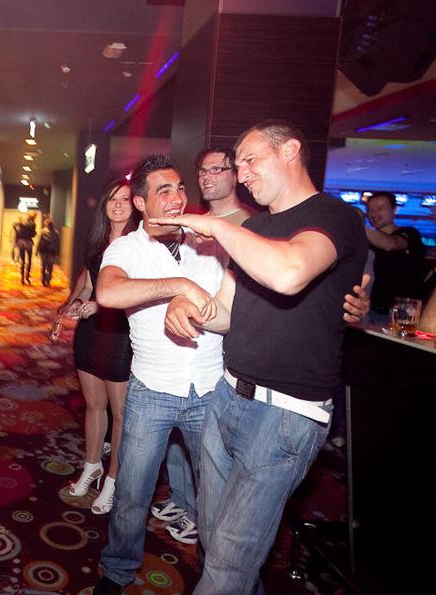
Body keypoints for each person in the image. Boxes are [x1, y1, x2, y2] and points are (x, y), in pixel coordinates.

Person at [155, 120, 368, 594]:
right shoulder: (254, 227)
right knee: (217, 546)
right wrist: (186, 304)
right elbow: (225, 313)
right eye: (238, 165)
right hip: (227, 397)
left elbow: (289, 274)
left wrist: (215, 225)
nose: (243, 173)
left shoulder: (335, 216)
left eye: (251, 160)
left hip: (285, 415)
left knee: (227, 563)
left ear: (290, 150)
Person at [90, 156, 228, 594]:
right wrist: (179, 286)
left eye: (180, 188)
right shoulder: (126, 248)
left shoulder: (209, 243)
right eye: (164, 190)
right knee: (133, 492)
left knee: (216, 495)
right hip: (152, 390)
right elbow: (108, 292)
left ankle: (218, 576)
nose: (176, 197)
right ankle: (117, 570)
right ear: (141, 202)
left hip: (210, 389)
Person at [152, 146, 254, 545]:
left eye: (218, 168)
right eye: (202, 170)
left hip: (227, 348)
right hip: (188, 339)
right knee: (179, 432)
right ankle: (183, 500)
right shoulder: (193, 223)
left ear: (236, 174)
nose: (207, 176)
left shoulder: (252, 225)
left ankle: (202, 514)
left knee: (210, 448)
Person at [61, 178, 139, 515]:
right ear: (104, 206)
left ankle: (112, 480)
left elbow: (139, 292)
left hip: (121, 333)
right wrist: (73, 305)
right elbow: (88, 283)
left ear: (136, 204)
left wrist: (99, 304)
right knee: (94, 406)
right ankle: (92, 466)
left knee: (120, 414)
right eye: (112, 199)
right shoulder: (97, 241)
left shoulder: (141, 243)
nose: (118, 205)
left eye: (125, 199)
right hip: (91, 331)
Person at [364, 191, 426, 323]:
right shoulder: (366, 241)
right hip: (369, 310)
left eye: (380, 208)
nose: (373, 214)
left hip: (401, 314)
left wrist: (358, 224)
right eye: (370, 210)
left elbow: (390, 244)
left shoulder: (410, 233)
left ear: (394, 210)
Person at [36, 217, 60, 287]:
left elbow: (40, 241)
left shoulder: (42, 231)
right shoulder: (56, 232)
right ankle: (48, 279)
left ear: (46, 224)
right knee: (50, 266)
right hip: (52, 251)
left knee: (43, 265)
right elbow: (58, 243)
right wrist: (58, 252)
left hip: (44, 250)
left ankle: (43, 280)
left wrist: (37, 250)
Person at [14, 213, 37, 284]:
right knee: (29, 260)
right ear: (33, 217)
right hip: (28, 242)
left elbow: (16, 230)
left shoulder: (22, 222)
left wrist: (16, 241)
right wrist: (35, 233)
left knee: (22, 260)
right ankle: (27, 277)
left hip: (21, 242)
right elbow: (32, 234)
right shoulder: (33, 224)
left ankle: (22, 278)